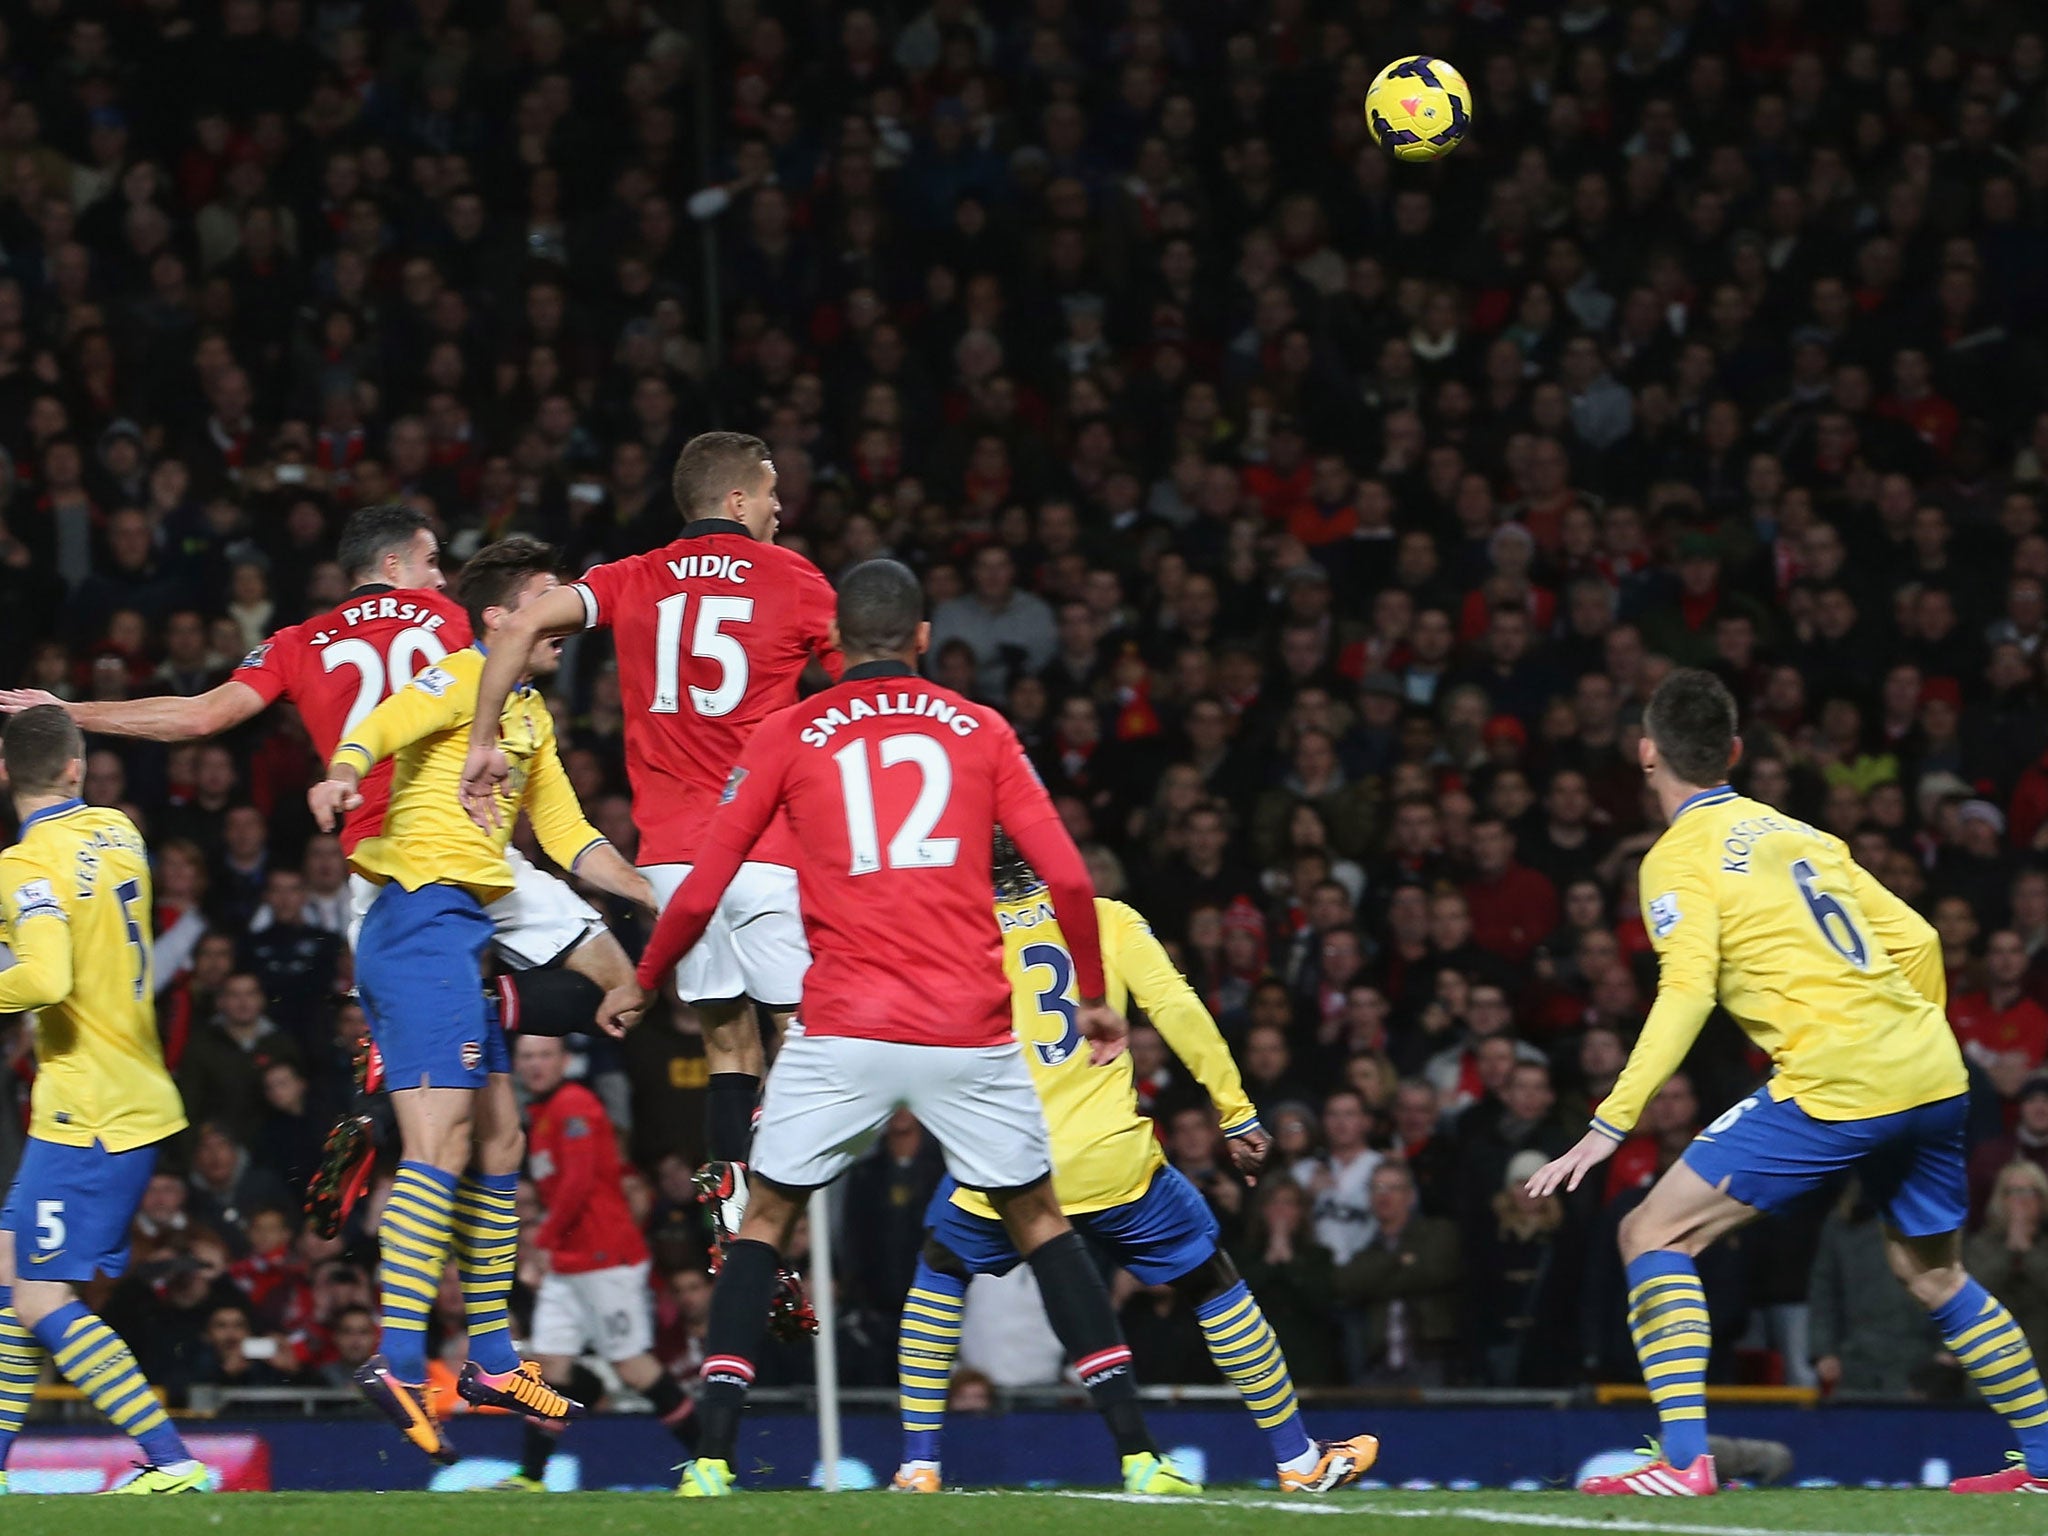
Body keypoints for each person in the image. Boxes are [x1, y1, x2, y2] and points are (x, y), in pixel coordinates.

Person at [599, 558, 1197, 1497]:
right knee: (1041, 1223)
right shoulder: (981, 728)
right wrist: (1089, 992)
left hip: (843, 1024)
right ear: (923, 638)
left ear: (838, 644)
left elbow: (707, 878)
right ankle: (1140, 1456)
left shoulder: (790, 730)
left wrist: (642, 977)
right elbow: (1072, 879)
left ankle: (710, 1461)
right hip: (964, 1023)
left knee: (765, 1222)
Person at [0, 505, 639, 1219]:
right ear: (395, 568)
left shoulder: (296, 641)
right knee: (610, 996)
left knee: (460, 1122)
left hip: (377, 869)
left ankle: (394, 1087)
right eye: (431, 563)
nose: (441, 577)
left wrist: (69, 711)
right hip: (469, 841)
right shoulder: (451, 617)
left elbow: (201, 717)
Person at [1530, 668, 2048, 1495]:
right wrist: (1906, 1041)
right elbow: (1917, 940)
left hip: (1839, 1081)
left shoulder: (1675, 860)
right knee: (1933, 1273)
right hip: (1930, 1068)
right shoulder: (1796, 831)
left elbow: (1687, 990)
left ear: (1646, 754)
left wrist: (1609, 1122)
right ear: (1733, 752)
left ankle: (1684, 1460)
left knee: (1651, 1233)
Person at [306, 538, 660, 1464]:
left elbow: (571, 837)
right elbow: (379, 725)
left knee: (502, 1138)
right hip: (415, 923)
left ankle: (494, 1357)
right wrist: (343, 771)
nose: (563, 620)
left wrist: (664, 900)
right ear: (502, 618)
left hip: (461, 937)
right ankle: (394, 1359)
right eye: (548, 601)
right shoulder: (459, 676)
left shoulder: (530, 719)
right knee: (441, 1144)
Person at [890, 833, 1377, 1494]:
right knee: (1211, 1280)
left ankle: (919, 1465)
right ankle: (1297, 1458)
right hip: (1110, 1162)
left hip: (1005, 1163)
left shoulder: (957, 935)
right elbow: (1178, 1010)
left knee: (940, 1271)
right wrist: (1235, 1111)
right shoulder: (1107, 920)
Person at [460, 432, 838, 1262]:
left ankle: (731, 1209)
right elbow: (858, 688)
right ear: (737, 500)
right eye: (771, 492)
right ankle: (775, 1194)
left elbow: (522, 623)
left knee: (727, 1042)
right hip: (765, 849)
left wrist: (483, 736)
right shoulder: (797, 579)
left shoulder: (632, 576)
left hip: (672, 865)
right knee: (809, 1033)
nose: (781, 507)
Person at [0, 706, 209, 1493]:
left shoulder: (23, 867)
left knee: (44, 1298)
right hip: (123, 1091)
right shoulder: (120, 832)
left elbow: (46, 977)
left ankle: (172, 1457)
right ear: (77, 769)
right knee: (9, 1276)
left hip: (89, 1109)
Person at [499, 1035, 694, 1493]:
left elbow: (579, 1183)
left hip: (606, 1257)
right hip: (570, 1260)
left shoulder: (574, 1105)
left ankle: (713, 1459)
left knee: (632, 1366)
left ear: (565, 1061)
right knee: (548, 1366)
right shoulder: (543, 1111)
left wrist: (541, 1241)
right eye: (526, 1056)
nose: (535, 1064)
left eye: (545, 1055)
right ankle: (530, 1478)